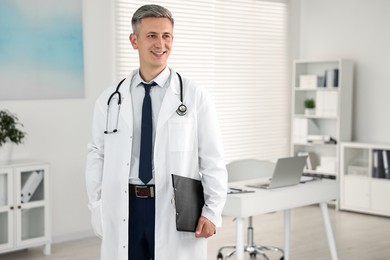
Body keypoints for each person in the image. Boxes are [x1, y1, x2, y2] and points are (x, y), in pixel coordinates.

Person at [85, 4, 227, 260]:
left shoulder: (194, 96)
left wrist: (212, 211)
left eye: (166, 36)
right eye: (151, 35)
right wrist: (97, 206)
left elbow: (213, 158)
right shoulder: (109, 99)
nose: (160, 44)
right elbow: (97, 155)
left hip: (174, 206)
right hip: (126, 206)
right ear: (134, 40)